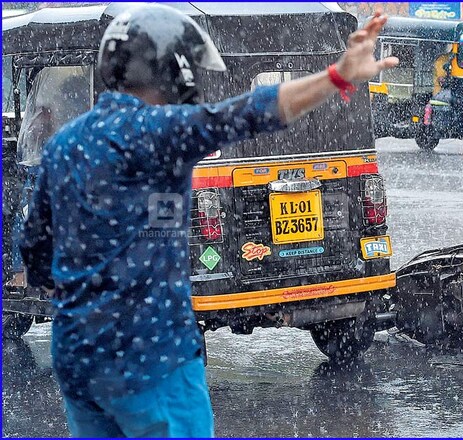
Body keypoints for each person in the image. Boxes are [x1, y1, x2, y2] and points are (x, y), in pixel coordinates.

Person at [20, 4, 397, 437]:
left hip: (78, 355)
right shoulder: (164, 132)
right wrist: (336, 76)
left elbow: (36, 254)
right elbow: (254, 111)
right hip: (153, 356)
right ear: (174, 72)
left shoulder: (62, 146)